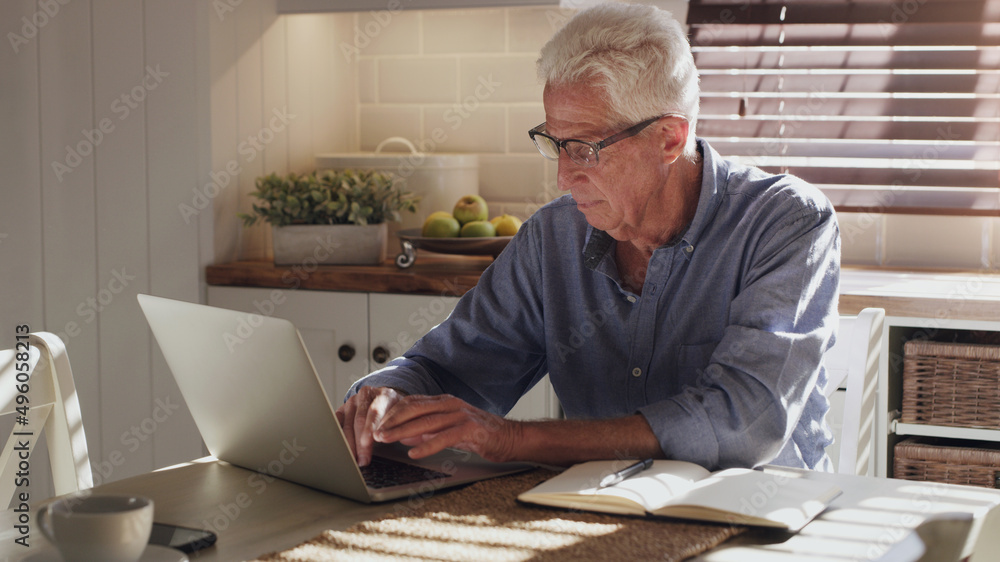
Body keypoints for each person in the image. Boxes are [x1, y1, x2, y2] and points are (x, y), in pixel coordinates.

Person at [335, 2, 840, 472]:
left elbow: (746, 422)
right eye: (555, 143)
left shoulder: (787, 222)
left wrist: (514, 440)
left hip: (760, 522)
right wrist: (382, 399)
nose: (562, 177)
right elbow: (451, 370)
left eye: (583, 148)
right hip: (594, 513)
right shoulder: (553, 238)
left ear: (669, 138)